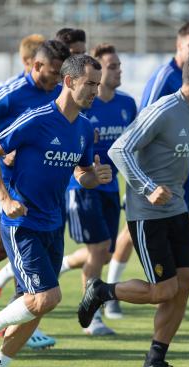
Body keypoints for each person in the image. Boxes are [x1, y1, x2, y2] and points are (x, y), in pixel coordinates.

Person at [78, 50, 189, 367]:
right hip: (146, 213)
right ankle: (102, 290)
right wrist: (147, 186)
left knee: (184, 284)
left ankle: (155, 360)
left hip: (177, 210)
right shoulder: (164, 110)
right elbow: (119, 149)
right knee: (163, 290)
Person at [0, 54, 110, 367]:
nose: (95, 90)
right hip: (22, 224)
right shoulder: (37, 119)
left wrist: (94, 177)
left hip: (53, 225)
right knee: (48, 297)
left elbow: (80, 173)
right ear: (69, 82)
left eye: (97, 83)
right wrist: (4, 198)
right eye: (90, 83)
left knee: (32, 309)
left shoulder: (85, 128)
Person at [0, 39, 70, 350]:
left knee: (1, 251)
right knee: (20, 247)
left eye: (60, 74)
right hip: (7, 186)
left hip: (37, 189)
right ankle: (4, 320)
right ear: (36, 65)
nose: (56, 79)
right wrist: (3, 149)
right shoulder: (11, 91)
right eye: (53, 72)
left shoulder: (58, 94)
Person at [104, 22, 189, 318]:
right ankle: (112, 290)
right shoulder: (165, 77)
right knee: (128, 231)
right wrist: (143, 184)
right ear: (178, 47)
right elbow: (141, 130)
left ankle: (167, 292)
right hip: (151, 176)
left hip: (180, 172)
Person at [64, 43, 136, 335]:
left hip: (110, 187)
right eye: (113, 66)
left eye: (119, 65)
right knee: (97, 250)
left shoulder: (127, 104)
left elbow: (134, 146)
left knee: (104, 252)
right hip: (82, 187)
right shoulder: (82, 109)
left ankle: (60, 266)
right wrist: (86, 173)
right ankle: (91, 316)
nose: (119, 70)